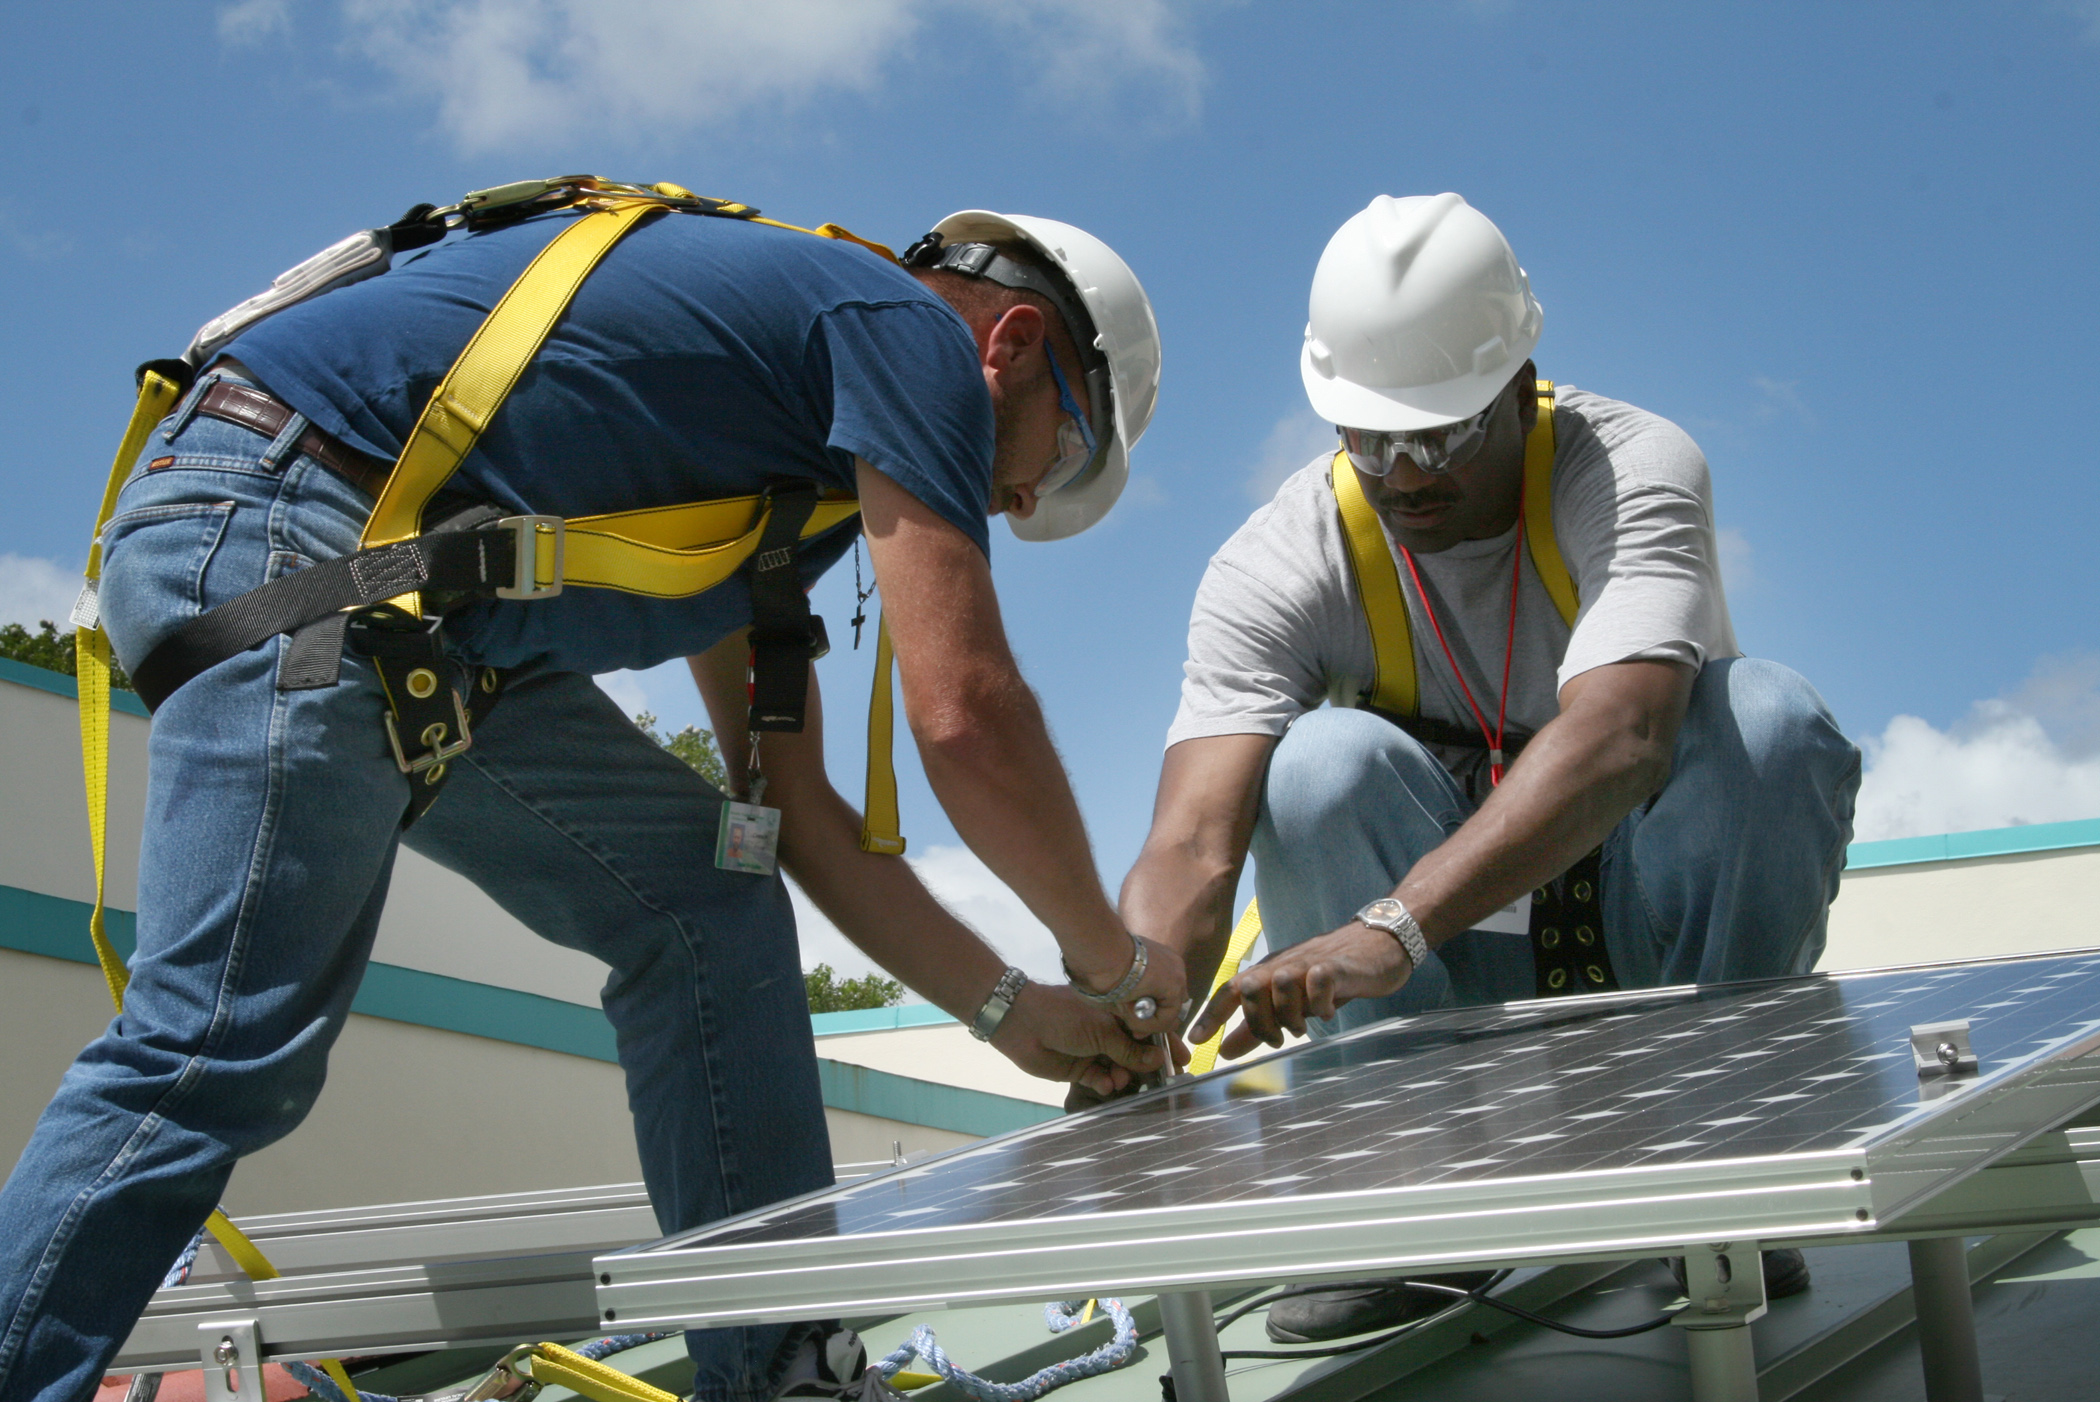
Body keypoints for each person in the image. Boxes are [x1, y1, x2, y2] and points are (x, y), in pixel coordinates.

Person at [0, 189, 1188, 1402]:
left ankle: (777, 1372)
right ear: (1018, 345)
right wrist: (1115, 971)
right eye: (1072, 452)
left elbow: (792, 816)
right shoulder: (901, 331)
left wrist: (1011, 1012)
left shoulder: (773, 461)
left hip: (409, 614)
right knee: (214, 1043)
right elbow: (967, 714)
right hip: (292, 536)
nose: (1027, 500)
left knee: (703, 896)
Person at [1119, 193, 1860, 1341]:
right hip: (1451, 988)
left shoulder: (1629, 468)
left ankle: (1721, 1183)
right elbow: (1192, 840)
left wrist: (1393, 925)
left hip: (1647, 941)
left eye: (1442, 433)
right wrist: (1139, 1004)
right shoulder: (1280, 560)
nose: (1406, 473)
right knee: (1317, 764)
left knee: (1769, 718)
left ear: (1522, 388)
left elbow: (1625, 736)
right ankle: (1413, 1210)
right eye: (1371, 438)